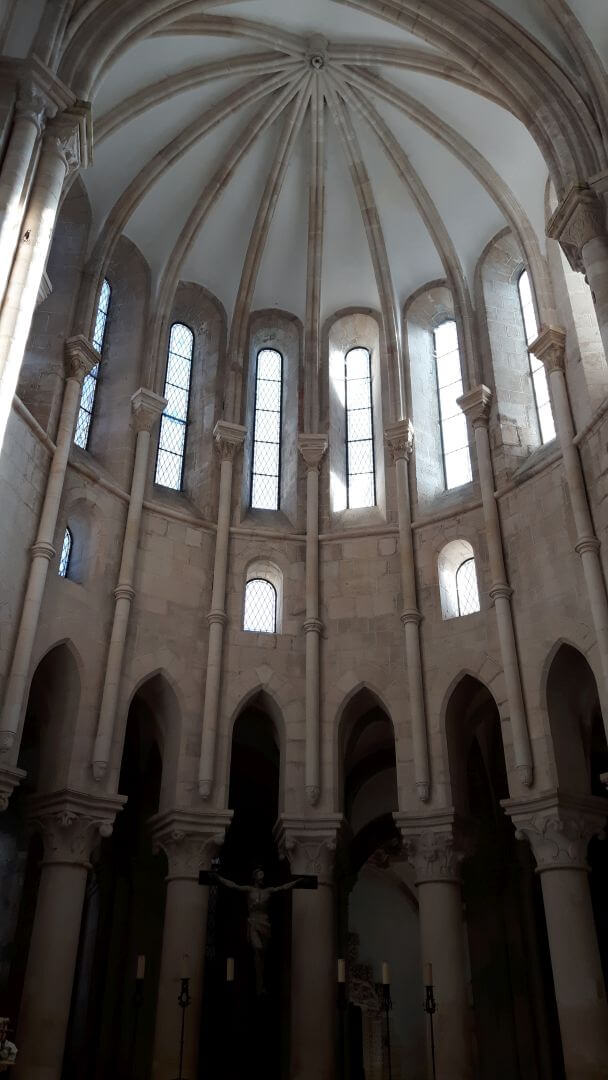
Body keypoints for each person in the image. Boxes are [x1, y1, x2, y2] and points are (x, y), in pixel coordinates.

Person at [214, 867, 302, 996]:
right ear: (255, 877)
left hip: (265, 924)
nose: (262, 878)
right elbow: (234, 886)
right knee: (258, 948)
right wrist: (218, 878)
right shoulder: (249, 889)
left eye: (263, 875)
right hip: (253, 922)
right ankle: (259, 985)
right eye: (260, 875)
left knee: (262, 957)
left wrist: (297, 882)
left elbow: (283, 887)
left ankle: (260, 985)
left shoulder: (268, 890)